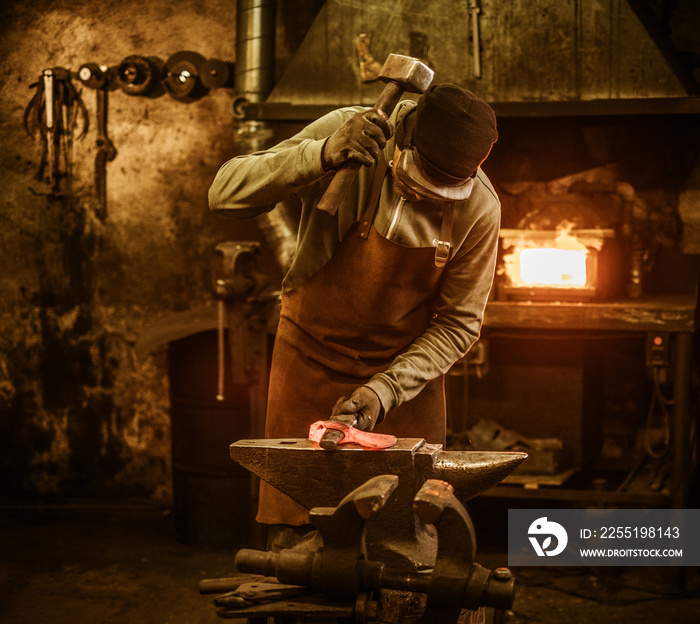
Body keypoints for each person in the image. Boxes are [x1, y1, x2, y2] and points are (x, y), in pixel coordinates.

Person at [209, 83, 501, 535]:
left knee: (404, 540)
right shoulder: (351, 136)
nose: (423, 198)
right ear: (404, 137)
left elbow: (460, 325)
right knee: (297, 535)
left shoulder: (480, 208)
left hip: (404, 382)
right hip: (308, 360)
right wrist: (321, 154)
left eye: (441, 194)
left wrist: (383, 391)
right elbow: (224, 193)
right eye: (417, 182)